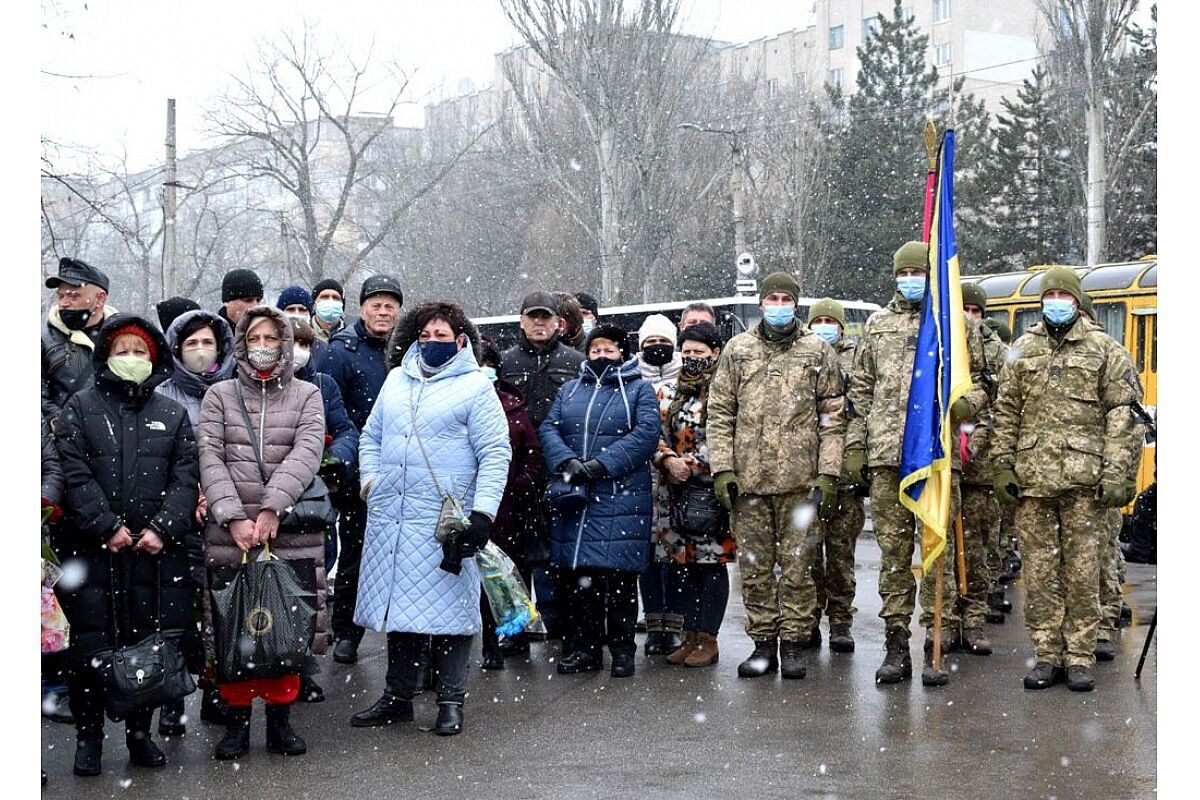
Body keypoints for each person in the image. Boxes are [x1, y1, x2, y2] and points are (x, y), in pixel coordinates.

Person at [350, 302, 511, 736]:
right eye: (425, 336)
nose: (432, 343)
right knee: (400, 613)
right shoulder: (396, 380)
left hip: (445, 522)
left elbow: (495, 453)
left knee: (452, 615)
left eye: (443, 336)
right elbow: (371, 435)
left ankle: (450, 701)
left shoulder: (476, 387)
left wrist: (482, 514)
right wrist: (371, 482)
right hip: (393, 518)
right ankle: (397, 697)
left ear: (461, 341)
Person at [53, 314, 199, 776]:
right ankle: (89, 738)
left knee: (149, 647)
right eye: (122, 351)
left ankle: (141, 733)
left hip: (156, 557)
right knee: (90, 649)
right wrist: (105, 525)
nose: (131, 359)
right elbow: (73, 472)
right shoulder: (79, 407)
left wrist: (163, 527)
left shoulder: (171, 413)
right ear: (106, 356)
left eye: (140, 352)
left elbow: (185, 475)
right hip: (95, 554)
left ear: (153, 359)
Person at [991, 267, 1141, 692]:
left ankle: (1079, 655)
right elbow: (1006, 414)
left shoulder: (1104, 349)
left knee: (1082, 572)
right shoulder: (1022, 349)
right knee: (1039, 574)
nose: (1056, 301)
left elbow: (1123, 416)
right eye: (1050, 294)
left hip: (1084, 483)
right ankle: (1046, 655)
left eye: (1064, 294)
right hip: (1034, 482)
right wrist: (1003, 465)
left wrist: (1118, 474)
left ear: (1077, 301)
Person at [844, 242, 988, 686]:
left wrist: (966, 405)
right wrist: (857, 446)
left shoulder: (956, 324)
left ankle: (934, 644)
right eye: (903, 272)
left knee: (936, 549)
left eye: (917, 271)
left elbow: (983, 383)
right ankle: (895, 645)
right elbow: (861, 390)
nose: (910, 279)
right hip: (890, 456)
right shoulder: (878, 325)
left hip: (938, 458)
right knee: (894, 557)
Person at [198, 306, 326, 758]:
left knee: (283, 628)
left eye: (273, 337)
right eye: (255, 337)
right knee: (233, 627)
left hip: (288, 528)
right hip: (230, 531)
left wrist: (273, 507)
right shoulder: (220, 395)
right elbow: (210, 456)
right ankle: (235, 725)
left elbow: (307, 452)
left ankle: (280, 723)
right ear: (241, 342)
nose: (264, 346)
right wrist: (232, 515)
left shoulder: (308, 394)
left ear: (286, 343)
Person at [707, 272, 846, 681]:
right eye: (773, 298)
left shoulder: (818, 351)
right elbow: (720, 414)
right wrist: (723, 468)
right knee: (754, 569)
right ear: (763, 304)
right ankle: (763, 645)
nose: (779, 305)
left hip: (801, 484)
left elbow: (833, 418)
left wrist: (828, 473)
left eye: (787, 298)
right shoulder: (738, 350)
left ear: (797, 304)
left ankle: (796, 644)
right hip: (749, 484)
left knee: (800, 569)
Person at [539, 323, 661, 678]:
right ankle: (586, 649)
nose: (602, 355)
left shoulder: (640, 391)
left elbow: (646, 435)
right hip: (577, 499)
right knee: (581, 582)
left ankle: (622, 649)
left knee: (620, 581)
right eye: (596, 349)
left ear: (623, 352)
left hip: (621, 498)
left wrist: (601, 464)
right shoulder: (570, 389)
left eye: (610, 349)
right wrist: (566, 461)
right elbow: (549, 428)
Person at [155, 308, 238, 732]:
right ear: (176, 350)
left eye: (208, 342)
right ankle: (173, 697)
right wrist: (189, 496)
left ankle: (217, 691)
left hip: (227, 518)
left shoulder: (237, 392)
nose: (201, 351)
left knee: (222, 611)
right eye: (191, 344)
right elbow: (159, 459)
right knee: (178, 614)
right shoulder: (164, 396)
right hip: (178, 520)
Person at [318, 274, 403, 663]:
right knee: (356, 552)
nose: (383, 312)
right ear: (362, 308)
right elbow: (328, 412)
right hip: (361, 471)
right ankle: (347, 632)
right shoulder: (341, 351)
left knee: (400, 553)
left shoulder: (406, 350)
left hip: (403, 469)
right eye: (376, 304)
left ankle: (403, 632)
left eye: (390, 305)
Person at [500, 290, 585, 638]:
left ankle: (558, 625)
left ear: (558, 323)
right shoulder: (506, 362)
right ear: (521, 322)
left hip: (558, 466)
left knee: (556, 552)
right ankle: (516, 628)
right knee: (513, 553)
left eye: (545, 317)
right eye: (532, 317)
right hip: (516, 470)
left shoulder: (576, 361)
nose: (539, 323)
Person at [653, 322, 731, 668]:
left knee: (710, 566)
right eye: (686, 352)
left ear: (715, 354)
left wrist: (695, 464)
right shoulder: (666, 392)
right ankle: (689, 635)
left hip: (709, 491)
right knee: (680, 566)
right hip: (673, 491)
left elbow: (731, 438)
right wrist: (668, 459)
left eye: (700, 353)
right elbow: (651, 433)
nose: (692, 358)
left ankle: (708, 638)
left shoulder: (725, 390)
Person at [477, 339, 545, 668]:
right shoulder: (462, 403)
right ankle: (480, 640)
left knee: (504, 576)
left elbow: (532, 457)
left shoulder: (514, 410)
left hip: (510, 510)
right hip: (470, 506)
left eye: (489, 366)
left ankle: (508, 635)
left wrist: (520, 484)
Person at [805, 298, 864, 653]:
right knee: (808, 555)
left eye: (831, 321)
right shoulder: (802, 354)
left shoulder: (857, 358)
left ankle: (840, 621)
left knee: (841, 556)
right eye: (818, 320)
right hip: (806, 472)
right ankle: (808, 619)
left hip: (844, 476)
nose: (824, 326)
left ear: (842, 326)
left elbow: (861, 411)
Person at [956, 282, 1006, 653]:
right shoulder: (944, 342)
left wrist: (975, 444)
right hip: (947, 466)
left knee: (978, 551)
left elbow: (1003, 410)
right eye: (965, 309)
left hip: (981, 470)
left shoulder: (999, 354)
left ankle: (973, 619)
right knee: (944, 550)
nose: (969, 317)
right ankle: (946, 620)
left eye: (975, 311)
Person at [637, 313, 685, 654]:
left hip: (679, 480)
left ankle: (675, 626)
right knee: (648, 560)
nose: (657, 348)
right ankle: (653, 625)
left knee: (676, 556)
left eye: (663, 342)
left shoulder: (688, 377)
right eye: (650, 343)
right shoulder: (630, 378)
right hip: (641, 480)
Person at [42, 257, 117, 425]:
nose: (63, 303)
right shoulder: (43, 340)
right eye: (60, 296)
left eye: (73, 296)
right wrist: (64, 424)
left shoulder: (126, 338)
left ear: (100, 299)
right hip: (64, 444)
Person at [311, 278, 347, 343]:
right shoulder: (303, 333)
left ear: (342, 305)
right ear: (314, 304)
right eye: (325, 297)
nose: (330, 301)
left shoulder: (351, 335)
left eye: (335, 298)